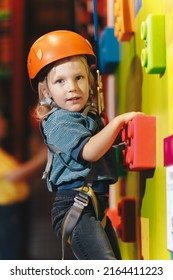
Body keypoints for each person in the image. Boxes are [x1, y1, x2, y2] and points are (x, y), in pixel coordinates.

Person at [27, 30, 143, 260]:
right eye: (60, 81)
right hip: (74, 207)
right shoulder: (58, 122)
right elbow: (89, 151)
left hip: (93, 204)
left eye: (78, 78)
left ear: (90, 82)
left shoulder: (86, 118)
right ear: (45, 91)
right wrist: (119, 122)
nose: (72, 87)